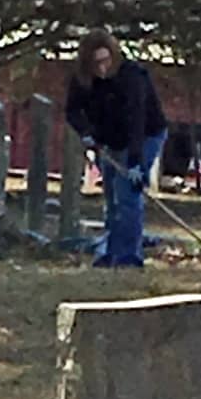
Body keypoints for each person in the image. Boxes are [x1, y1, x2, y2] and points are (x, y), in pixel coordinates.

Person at [65, 28, 167, 268]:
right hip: (108, 141)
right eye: (95, 63)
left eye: (105, 61)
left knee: (128, 195)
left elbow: (137, 120)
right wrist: (87, 134)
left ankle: (129, 258)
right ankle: (111, 251)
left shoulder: (132, 77)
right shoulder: (82, 80)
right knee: (111, 196)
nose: (101, 68)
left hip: (145, 136)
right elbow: (72, 111)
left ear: (113, 56)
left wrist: (135, 163)